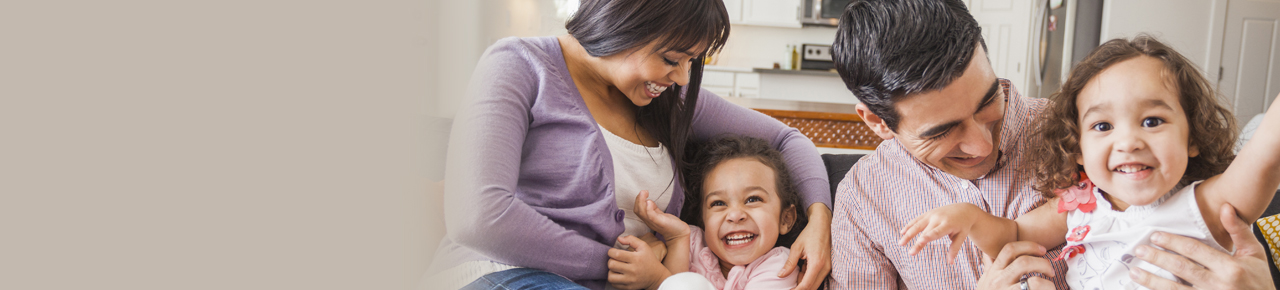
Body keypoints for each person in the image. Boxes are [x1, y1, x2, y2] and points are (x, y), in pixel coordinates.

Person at [826, 0, 1278, 289]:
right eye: (941, 132)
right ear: (875, 122)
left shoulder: (1082, 133)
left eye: (988, 101)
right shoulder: (864, 200)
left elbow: (1252, 175)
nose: (981, 144)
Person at [426, 0, 834, 289]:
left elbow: (787, 139)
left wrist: (818, 221)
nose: (682, 78)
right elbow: (477, 216)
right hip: (503, 274)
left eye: (692, 61)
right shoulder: (519, 65)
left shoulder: (668, 102)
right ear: (626, 22)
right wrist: (613, 266)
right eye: (673, 58)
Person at [621, 136, 806, 290]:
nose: (734, 215)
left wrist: (658, 279)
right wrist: (674, 241)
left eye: (752, 199)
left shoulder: (779, 266)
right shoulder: (690, 240)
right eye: (718, 203)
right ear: (703, 218)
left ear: (786, 218)